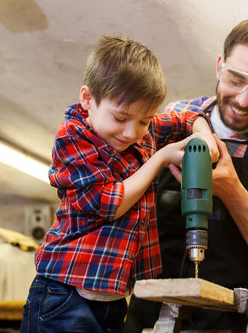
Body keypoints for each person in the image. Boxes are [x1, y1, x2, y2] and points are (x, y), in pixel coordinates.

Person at [125, 17, 248, 332]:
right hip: (147, 318)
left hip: (226, 322)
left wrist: (231, 190)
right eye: (235, 79)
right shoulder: (171, 119)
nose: (244, 100)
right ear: (220, 66)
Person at [20, 35, 217, 333]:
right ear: (88, 99)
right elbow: (109, 203)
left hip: (112, 299)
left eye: (144, 120)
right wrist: (160, 158)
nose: (131, 132)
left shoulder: (141, 130)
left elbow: (188, 117)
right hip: (64, 294)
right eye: (121, 117)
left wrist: (204, 137)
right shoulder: (72, 137)